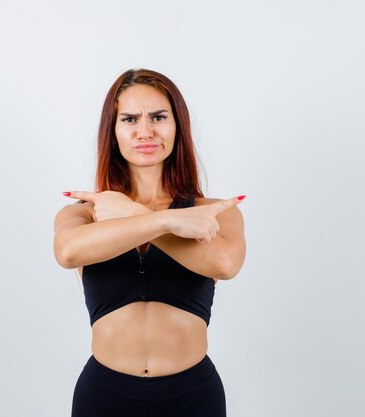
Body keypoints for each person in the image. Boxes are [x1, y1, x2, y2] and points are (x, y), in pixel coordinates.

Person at [53, 68, 246, 417]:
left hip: (192, 395)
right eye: (129, 119)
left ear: (177, 127)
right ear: (112, 132)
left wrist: (131, 213)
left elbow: (225, 264)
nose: (145, 131)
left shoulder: (210, 212)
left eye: (158, 117)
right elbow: (67, 252)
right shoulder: (87, 212)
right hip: (104, 395)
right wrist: (166, 220)